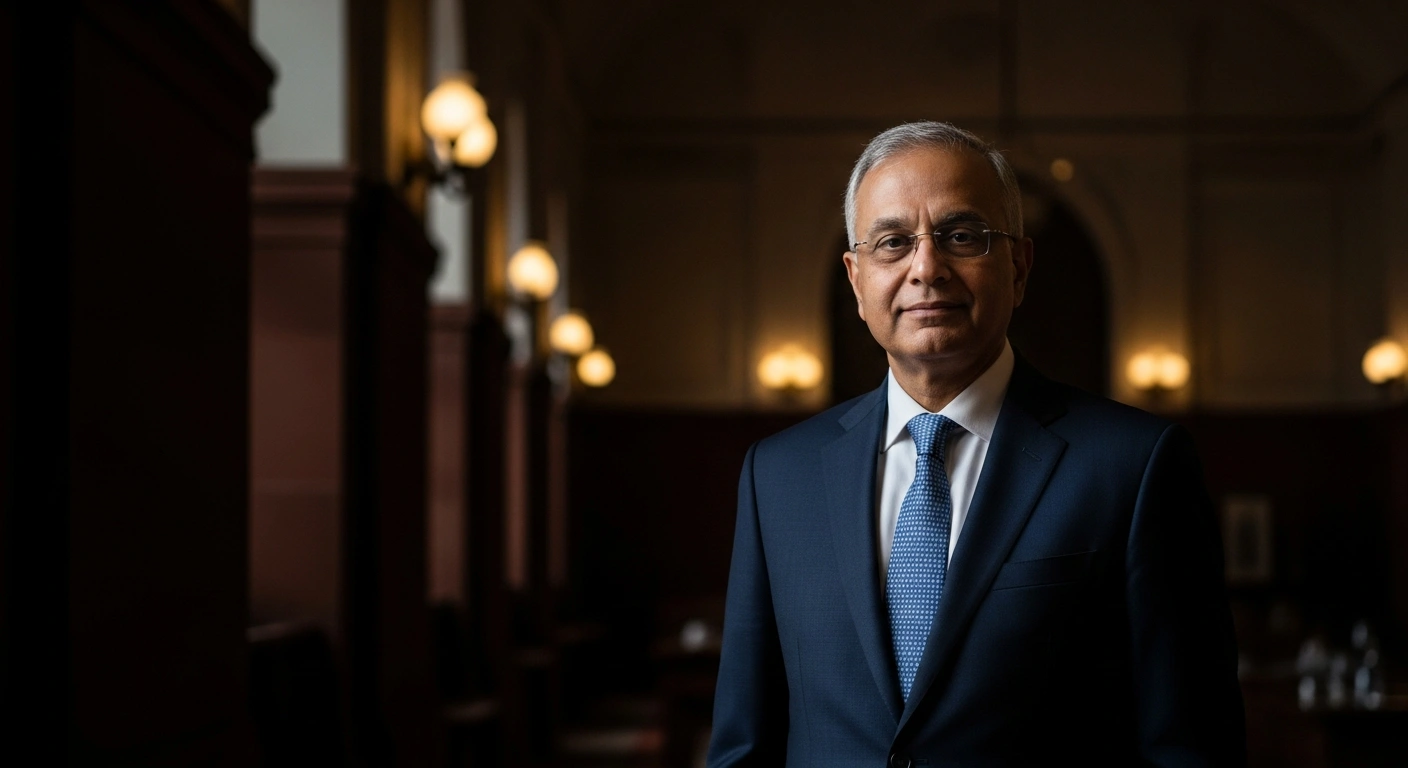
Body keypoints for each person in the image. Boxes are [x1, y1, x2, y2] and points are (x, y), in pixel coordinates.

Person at [707, 121, 1245, 767]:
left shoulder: (1133, 466)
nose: (926, 267)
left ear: (1018, 266)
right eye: (893, 242)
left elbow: (1192, 748)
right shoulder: (777, 476)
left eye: (962, 236)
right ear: (855, 279)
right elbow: (744, 745)